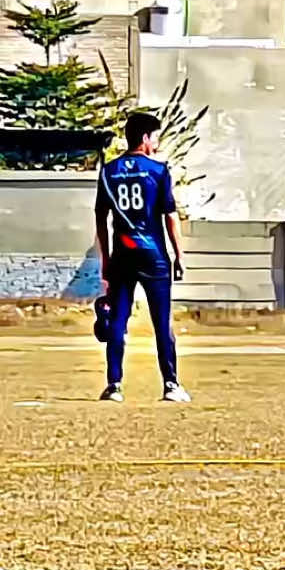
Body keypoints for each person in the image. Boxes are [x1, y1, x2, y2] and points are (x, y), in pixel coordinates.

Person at [94, 110, 191, 402]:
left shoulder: (108, 172)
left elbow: (100, 220)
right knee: (162, 322)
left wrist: (106, 260)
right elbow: (170, 217)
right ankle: (171, 385)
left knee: (118, 321)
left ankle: (114, 385)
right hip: (154, 256)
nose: (157, 143)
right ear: (146, 138)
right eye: (156, 137)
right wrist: (179, 255)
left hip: (123, 255)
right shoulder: (159, 171)